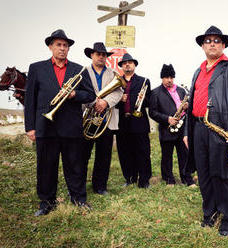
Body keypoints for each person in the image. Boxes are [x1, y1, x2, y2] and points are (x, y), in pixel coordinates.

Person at [183, 26, 228, 237]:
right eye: (208, 40)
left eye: (216, 40)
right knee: (203, 174)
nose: (212, 43)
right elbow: (191, 103)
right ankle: (210, 212)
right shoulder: (198, 70)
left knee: (224, 175)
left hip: (222, 131)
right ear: (202, 46)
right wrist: (187, 131)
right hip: (198, 129)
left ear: (223, 45)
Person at [24, 29, 95, 216]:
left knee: (75, 165)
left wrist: (74, 94)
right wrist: (30, 127)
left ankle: (78, 199)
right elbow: (30, 100)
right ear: (50, 47)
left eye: (65, 45)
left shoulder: (79, 69)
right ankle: (47, 202)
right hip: (45, 126)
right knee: (46, 166)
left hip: (71, 126)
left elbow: (90, 95)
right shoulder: (36, 68)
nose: (62, 48)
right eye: (58, 45)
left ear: (69, 49)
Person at [81, 42, 124, 195]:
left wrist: (106, 102)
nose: (101, 56)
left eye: (103, 54)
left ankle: (100, 186)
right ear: (91, 55)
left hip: (106, 121)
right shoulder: (83, 72)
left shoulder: (113, 73)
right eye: (98, 54)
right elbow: (79, 91)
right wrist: (94, 102)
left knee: (104, 155)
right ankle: (79, 186)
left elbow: (119, 93)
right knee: (82, 155)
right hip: (87, 119)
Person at [149, 64, 195, 187]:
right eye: (166, 77)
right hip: (166, 129)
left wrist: (187, 106)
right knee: (166, 156)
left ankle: (187, 178)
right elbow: (152, 112)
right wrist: (167, 119)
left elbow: (189, 106)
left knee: (184, 155)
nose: (169, 80)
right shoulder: (155, 92)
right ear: (162, 78)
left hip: (182, 129)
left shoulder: (181, 90)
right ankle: (169, 179)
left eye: (171, 77)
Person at [116, 53, 152, 188]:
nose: (127, 64)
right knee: (125, 151)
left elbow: (150, 102)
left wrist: (143, 98)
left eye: (130, 62)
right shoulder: (117, 81)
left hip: (139, 121)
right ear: (121, 67)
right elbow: (111, 102)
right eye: (124, 63)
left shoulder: (144, 81)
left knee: (142, 151)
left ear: (134, 65)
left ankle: (144, 180)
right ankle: (129, 178)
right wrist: (120, 100)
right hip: (122, 122)